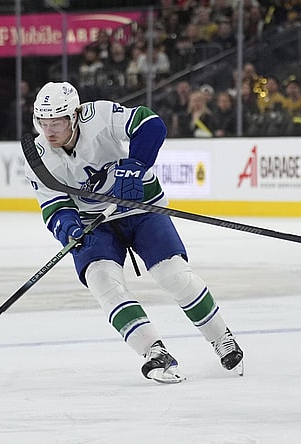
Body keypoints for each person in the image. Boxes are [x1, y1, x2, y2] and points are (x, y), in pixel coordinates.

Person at [24, 82, 244, 383]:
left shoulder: (99, 115)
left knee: (174, 274)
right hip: (94, 223)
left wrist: (136, 164)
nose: (50, 132)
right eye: (44, 123)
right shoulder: (36, 156)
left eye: (57, 123)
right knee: (102, 281)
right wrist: (69, 228)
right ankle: (153, 350)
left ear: (74, 116)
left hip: (139, 207)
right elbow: (53, 204)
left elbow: (150, 124)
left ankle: (221, 337)